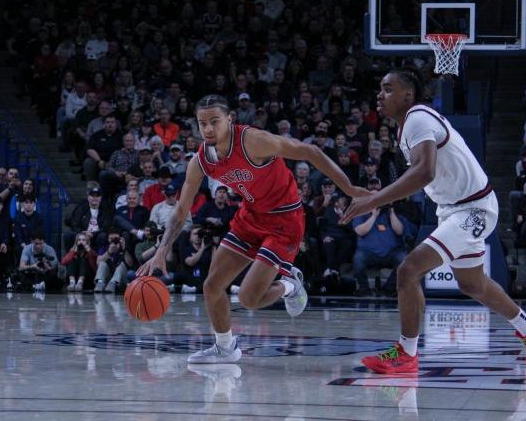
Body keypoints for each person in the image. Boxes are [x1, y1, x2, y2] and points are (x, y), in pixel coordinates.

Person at [137, 94, 366, 364]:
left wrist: (349, 189)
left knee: (249, 299)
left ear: (229, 120)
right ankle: (225, 347)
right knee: (211, 286)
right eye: (202, 123)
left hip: (285, 219)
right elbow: (181, 210)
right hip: (251, 216)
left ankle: (290, 285)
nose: (208, 129)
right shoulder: (201, 159)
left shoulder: (253, 141)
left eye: (215, 122)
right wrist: (163, 249)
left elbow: (311, 152)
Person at [341, 67, 526, 374]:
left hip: (473, 208)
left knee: (408, 271)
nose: (380, 94)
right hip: (455, 209)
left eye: (388, 89)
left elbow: (424, 172)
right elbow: (424, 173)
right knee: (473, 284)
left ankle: (407, 353)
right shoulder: (408, 126)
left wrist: (373, 200)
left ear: (408, 95)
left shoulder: (418, 117)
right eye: (380, 88)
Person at [351, 177, 407, 296]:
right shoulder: (361, 212)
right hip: (368, 253)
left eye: (379, 198)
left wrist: (391, 210)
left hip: (391, 253)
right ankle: (364, 289)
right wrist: (373, 216)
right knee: (358, 258)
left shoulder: (391, 212)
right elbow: (360, 231)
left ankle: (389, 288)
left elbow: (399, 231)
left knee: (403, 258)